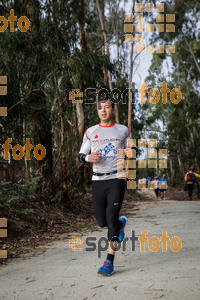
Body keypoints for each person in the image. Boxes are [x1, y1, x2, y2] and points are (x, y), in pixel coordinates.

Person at [78, 96, 136, 276]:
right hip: (97, 180)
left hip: (116, 178)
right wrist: (88, 158)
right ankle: (120, 224)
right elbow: (81, 154)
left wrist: (131, 152)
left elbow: (133, 149)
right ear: (97, 111)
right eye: (100, 108)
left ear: (113, 110)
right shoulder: (90, 131)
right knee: (102, 222)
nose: (103, 110)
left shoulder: (123, 130)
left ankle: (108, 262)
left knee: (110, 219)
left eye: (107, 107)